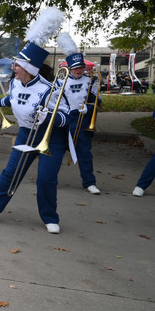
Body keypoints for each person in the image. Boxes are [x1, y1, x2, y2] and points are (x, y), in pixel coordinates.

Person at [0, 7, 70, 234]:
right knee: (11, 172)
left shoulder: (50, 89)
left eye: (17, 65)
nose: (13, 68)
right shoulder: (17, 83)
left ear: (28, 68)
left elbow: (66, 116)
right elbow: (13, 98)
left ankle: (50, 217)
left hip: (51, 138)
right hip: (26, 134)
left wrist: (49, 115)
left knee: (45, 179)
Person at [56, 33, 102, 194]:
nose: (78, 70)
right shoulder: (60, 82)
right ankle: (51, 179)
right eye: (75, 68)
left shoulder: (91, 81)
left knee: (84, 154)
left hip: (82, 122)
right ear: (69, 68)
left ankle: (89, 182)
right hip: (65, 121)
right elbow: (55, 102)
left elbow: (97, 102)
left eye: (80, 67)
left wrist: (87, 109)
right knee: (56, 152)